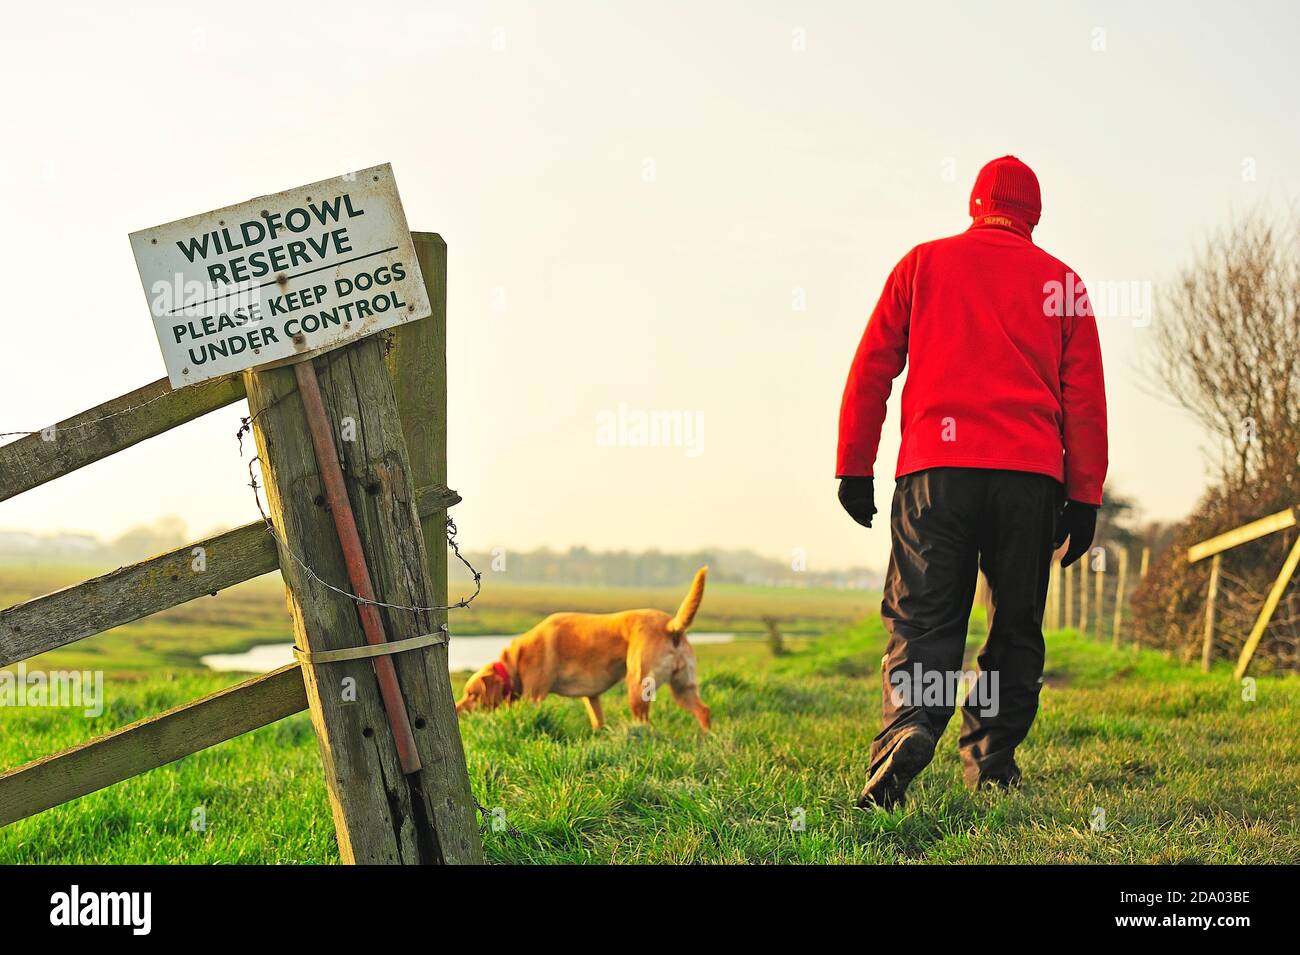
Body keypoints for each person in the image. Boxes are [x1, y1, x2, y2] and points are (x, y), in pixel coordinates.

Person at [836, 155, 1107, 810]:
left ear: (974, 202)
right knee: (1014, 621)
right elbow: (1086, 401)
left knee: (924, 612)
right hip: (1029, 476)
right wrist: (1085, 496)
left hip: (936, 472)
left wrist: (854, 462)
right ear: (1034, 215)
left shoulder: (922, 265)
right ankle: (990, 756)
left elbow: (873, 365)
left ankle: (909, 722)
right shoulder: (1063, 283)